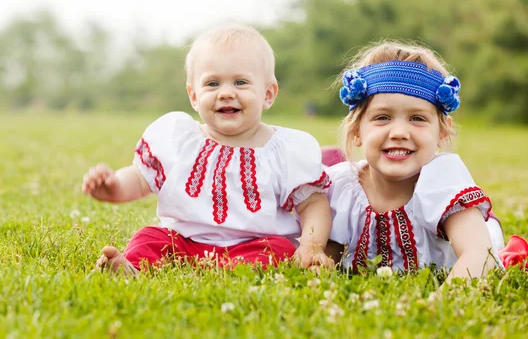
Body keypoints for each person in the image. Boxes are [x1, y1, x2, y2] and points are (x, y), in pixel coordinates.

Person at [82, 23, 333, 277]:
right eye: (212, 84)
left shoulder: (282, 149)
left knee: (279, 249)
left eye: (241, 82)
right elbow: (139, 178)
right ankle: (132, 269)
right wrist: (114, 187)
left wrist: (312, 246)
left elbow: (312, 203)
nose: (225, 93)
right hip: (183, 242)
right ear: (193, 96)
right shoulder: (179, 138)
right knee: (149, 237)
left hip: (252, 245)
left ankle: (238, 271)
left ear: (268, 93)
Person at [324, 41, 509, 282]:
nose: (399, 132)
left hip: (475, 233)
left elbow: (479, 255)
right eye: (382, 117)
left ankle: (484, 217)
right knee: (324, 167)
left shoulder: (442, 181)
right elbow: (329, 257)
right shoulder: (343, 187)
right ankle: (327, 154)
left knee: (486, 234)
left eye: (417, 118)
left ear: (442, 132)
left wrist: (440, 305)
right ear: (357, 130)